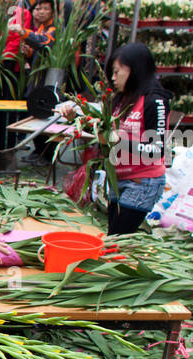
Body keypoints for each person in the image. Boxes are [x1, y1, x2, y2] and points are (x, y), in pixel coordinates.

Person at [57, 42, 170, 234]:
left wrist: (117, 141)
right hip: (118, 179)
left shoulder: (155, 101)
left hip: (142, 182)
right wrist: (76, 119)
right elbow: (104, 132)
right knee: (115, 235)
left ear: (135, 70)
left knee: (116, 236)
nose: (113, 77)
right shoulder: (121, 99)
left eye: (117, 72)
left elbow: (157, 151)